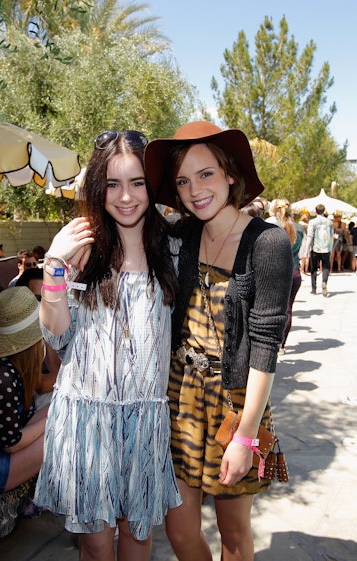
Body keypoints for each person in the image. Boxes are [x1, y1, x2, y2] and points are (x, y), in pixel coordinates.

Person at [144, 121, 293, 561]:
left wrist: (246, 436)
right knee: (180, 530)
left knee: (233, 534)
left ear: (230, 173)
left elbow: (266, 344)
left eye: (205, 174)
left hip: (237, 403)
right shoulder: (182, 234)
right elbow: (125, 221)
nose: (194, 190)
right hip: (180, 394)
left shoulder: (267, 243)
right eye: (183, 181)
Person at [34, 129, 182, 561]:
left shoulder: (173, 250)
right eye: (113, 184)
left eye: (137, 182)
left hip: (145, 420)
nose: (126, 197)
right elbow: (57, 335)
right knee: (97, 547)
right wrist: (53, 266)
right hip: (86, 420)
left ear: (151, 186)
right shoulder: (79, 249)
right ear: (98, 188)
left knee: (137, 541)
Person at [0, 287, 48, 495]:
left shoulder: (12, 365)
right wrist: (52, 419)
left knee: (64, 408)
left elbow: (23, 422)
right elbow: (11, 443)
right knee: (63, 430)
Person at [16, 267, 61, 404]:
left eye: (48, 298)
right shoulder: (17, 331)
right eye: (37, 298)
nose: (43, 304)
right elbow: (41, 385)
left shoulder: (45, 322)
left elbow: (54, 366)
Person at [266, 199, 303, 355]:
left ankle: (272, 343)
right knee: (288, 310)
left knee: (271, 311)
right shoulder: (300, 228)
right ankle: (282, 344)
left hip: (278, 272)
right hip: (295, 272)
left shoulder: (272, 227)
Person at [305, 204, 333, 296]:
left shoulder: (312, 222)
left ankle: (314, 289)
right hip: (326, 248)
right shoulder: (329, 222)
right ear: (324, 211)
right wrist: (331, 248)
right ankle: (324, 282)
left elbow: (310, 236)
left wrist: (306, 249)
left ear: (316, 211)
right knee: (325, 267)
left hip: (315, 248)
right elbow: (332, 237)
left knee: (313, 268)